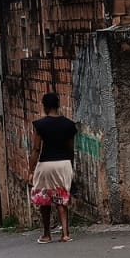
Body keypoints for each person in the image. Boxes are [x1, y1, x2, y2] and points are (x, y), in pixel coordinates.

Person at [30, 90, 77, 243]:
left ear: (44, 106)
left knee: (45, 199)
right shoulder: (69, 124)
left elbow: (36, 149)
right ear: (58, 105)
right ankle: (65, 233)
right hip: (64, 164)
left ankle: (46, 234)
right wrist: (70, 165)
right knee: (62, 198)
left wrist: (31, 171)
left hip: (46, 164)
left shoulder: (40, 125)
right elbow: (70, 148)